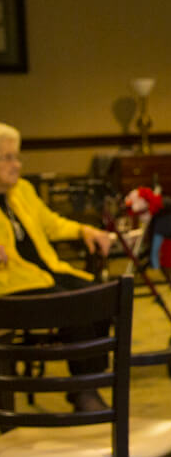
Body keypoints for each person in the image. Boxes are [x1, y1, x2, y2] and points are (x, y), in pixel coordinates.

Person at [0, 123, 113, 412]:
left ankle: (91, 379)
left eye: (17, 157)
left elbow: (51, 223)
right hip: (13, 285)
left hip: (46, 272)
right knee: (74, 305)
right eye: (7, 158)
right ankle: (83, 389)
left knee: (103, 295)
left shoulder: (22, 190)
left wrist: (84, 232)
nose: (16, 165)